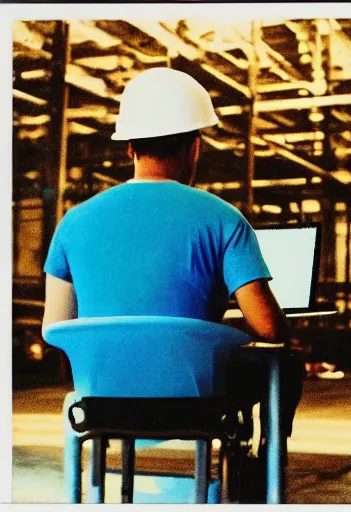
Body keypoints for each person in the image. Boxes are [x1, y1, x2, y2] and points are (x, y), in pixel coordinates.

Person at [42, 67, 304, 502]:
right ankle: (260, 477)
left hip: (101, 401)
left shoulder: (72, 222)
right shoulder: (222, 218)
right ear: (194, 146)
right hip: (199, 403)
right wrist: (222, 331)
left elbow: (56, 326)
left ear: (129, 147)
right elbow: (272, 331)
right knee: (283, 367)